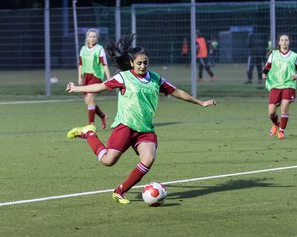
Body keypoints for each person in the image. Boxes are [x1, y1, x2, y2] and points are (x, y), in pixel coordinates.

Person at [66, 34, 217, 204]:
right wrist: (76, 88)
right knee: (108, 161)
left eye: (145, 62)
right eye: (139, 63)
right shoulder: (123, 77)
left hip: (145, 129)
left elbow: (177, 92)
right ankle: (89, 134)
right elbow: (100, 86)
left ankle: (119, 191)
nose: (143, 65)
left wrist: (201, 103)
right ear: (131, 63)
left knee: (148, 159)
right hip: (126, 126)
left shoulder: (155, 79)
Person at [262, 33, 297, 139]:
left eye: (286, 40)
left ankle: (281, 131)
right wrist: (264, 74)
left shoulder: (294, 56)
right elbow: (267, 67)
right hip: (275, 85)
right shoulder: (273, 54)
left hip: (288, 84)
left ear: (289, 42)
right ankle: (276, 124)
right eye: (282, 40)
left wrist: (296, 75)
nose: (284, 42)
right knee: (271, 112)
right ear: (279, 42)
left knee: (284, 108)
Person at [78, 28, 111, 129]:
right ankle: (103, 116)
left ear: (97, 38)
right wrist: (79, 77)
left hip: (96, 76)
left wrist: (109, 78)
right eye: (90, 36)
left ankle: (91, 124)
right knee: (88, 101)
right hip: (87, 77)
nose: (92, 38)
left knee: (90, 98)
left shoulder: (99, 49)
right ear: (87, 38)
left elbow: (104, 64)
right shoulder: (83, 49)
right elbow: (80, 64)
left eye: (94, 37)